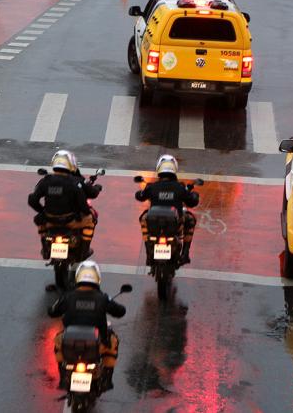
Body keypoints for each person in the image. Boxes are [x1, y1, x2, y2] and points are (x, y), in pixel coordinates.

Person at [49, 261, 126, 391]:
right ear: (97, 278)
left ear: (78, 277)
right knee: (113, 342)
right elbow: (120, 311)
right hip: (96, 345)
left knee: (58, 344)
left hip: (70, 344)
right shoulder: (103, 298)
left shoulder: (68, 297)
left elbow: (52, 312)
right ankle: (107, 379)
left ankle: (63, 377)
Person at [28, 150, 96, 259]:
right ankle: (83, 250)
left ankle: (45, 248)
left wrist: (43, 212)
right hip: (71, 221)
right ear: (71, 165)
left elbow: (32, 200)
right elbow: (83, 205)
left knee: (39, 221)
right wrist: (86, 213)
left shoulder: (46, 181)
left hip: (50, 221)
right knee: (91, 221)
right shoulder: (75, 182)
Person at [134, 154, 199, 265]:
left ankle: (148, 253)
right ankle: (185, 253)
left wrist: (142, 192)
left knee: (143, 218)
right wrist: (194, 195)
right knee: (191, 219)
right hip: (176, 223)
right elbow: (192, 202)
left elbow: (140, 196)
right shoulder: (180, 187)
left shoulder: (152, 187)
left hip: (154, 222)